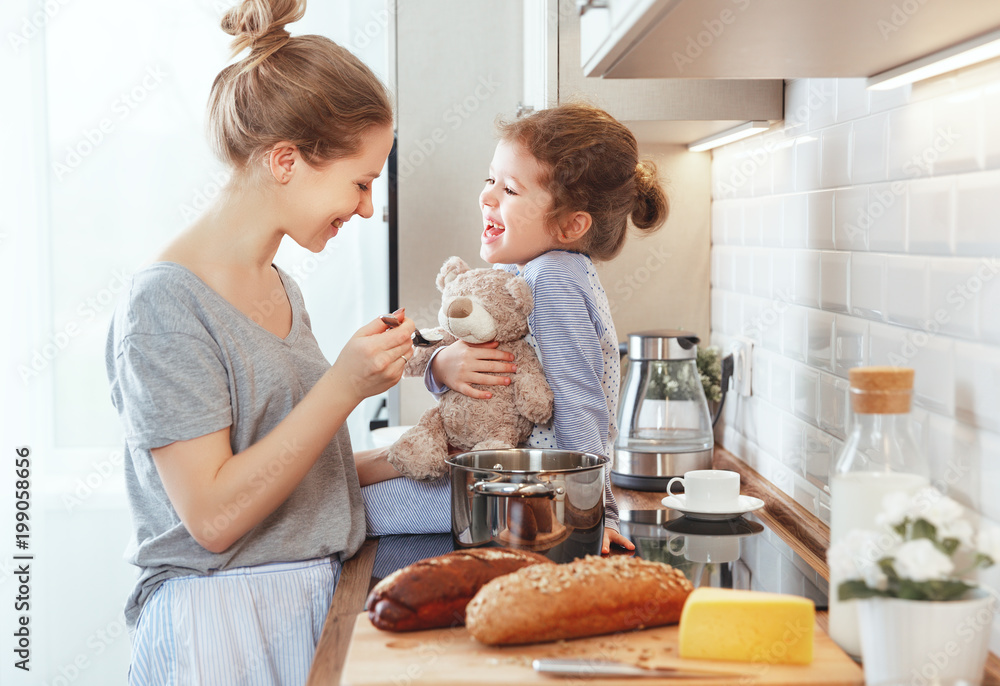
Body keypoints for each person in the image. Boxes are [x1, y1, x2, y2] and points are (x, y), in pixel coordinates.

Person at [104, 1, 412, 683]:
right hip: (220, 628)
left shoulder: (278, 284)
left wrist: (409, 452)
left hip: (305, 603)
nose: (366, 206)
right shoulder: (165, 304)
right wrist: (343, 386)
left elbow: (285, 469)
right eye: (360, 182)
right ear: (285, 161)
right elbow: (214, 515)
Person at [426, 103, 670, 554]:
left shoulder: (552, 278)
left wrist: (596, 512)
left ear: (570, 225)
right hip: (520, 479)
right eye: (490, 180)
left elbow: (579, 398)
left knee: (359, 504)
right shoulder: (545, 271)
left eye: (511, 189)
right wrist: (441, 365)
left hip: (536, 495)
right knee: (354, 484)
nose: (487, 196)